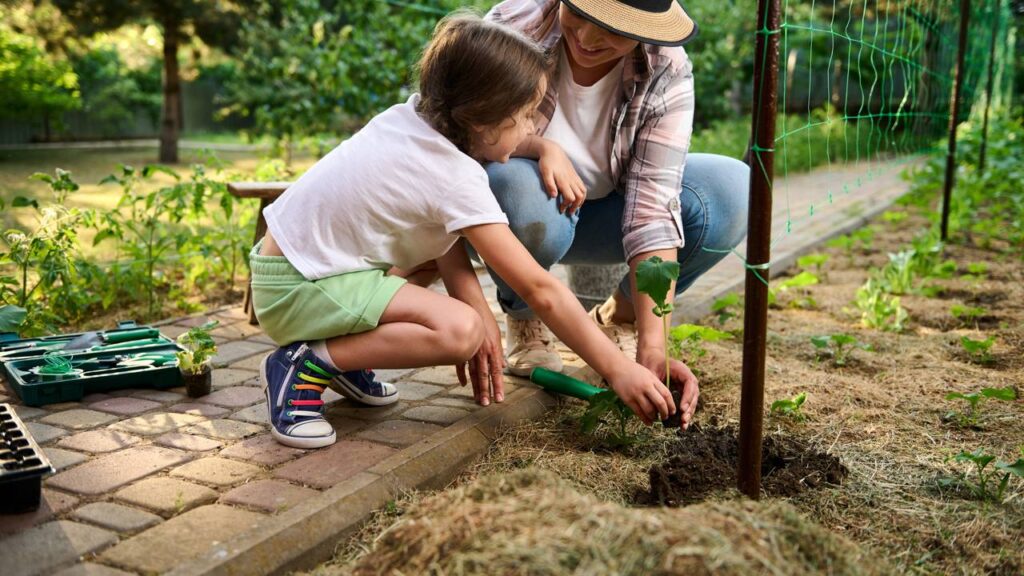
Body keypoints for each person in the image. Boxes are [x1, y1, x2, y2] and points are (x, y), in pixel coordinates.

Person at [250, 13, 686, 449]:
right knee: (459, 330)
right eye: (525, 116)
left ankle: (345, 358)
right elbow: (540, 289)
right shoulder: (455, 176)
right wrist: (617, 369)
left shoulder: (415, 120)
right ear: (482, 122)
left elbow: (444, 241)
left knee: (463, 310)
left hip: (293, 267)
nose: (534, 128)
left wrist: (480, 310)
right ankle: (305, 365)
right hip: (300, 288)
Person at [477, 0, 749, 405]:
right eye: (579, 14)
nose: (587, 38)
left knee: (732, 190)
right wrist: (539, 147)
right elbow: (460, 144)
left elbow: (654, 210)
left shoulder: (666, 67)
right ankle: (524, 316)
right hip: (520, 216)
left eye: (613, 29)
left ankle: (618, 318)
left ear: (647, 27)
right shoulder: (512, 26)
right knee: (513, 185)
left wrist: (654, 346)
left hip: (607, 218)